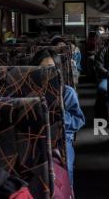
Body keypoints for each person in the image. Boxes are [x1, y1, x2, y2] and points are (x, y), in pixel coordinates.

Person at [31, 49, 85, 186]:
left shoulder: (66, 92)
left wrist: (57, 113)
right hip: (31, 136)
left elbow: (78, 121)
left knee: (64, 167)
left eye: (50, 68)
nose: (46, 72)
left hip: (60, 139)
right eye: (41, 68)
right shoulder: (24, 92)